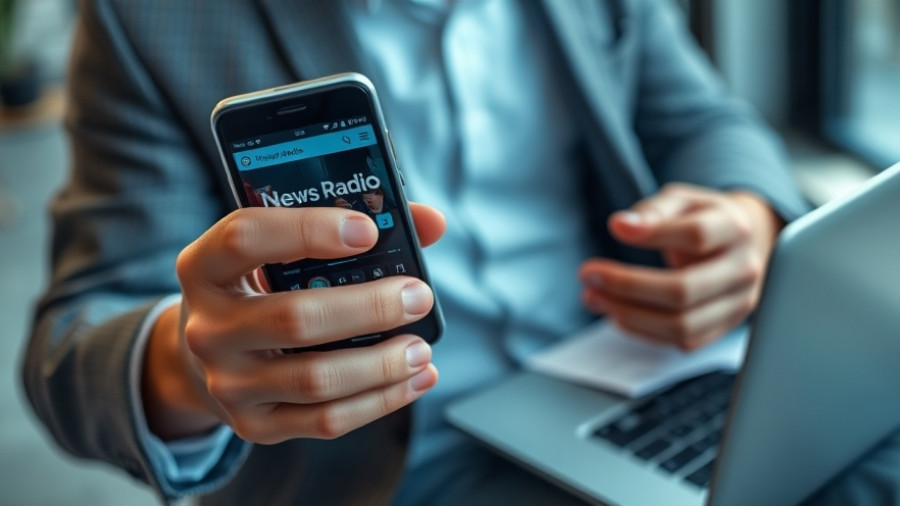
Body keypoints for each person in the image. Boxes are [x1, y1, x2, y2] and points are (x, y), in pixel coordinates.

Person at [21, 1, 900, 505]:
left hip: (643, 380)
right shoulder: (151, 20)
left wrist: (746, 218)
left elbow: (703, 119)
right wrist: (190, 363)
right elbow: (68, 348)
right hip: (398, 463)